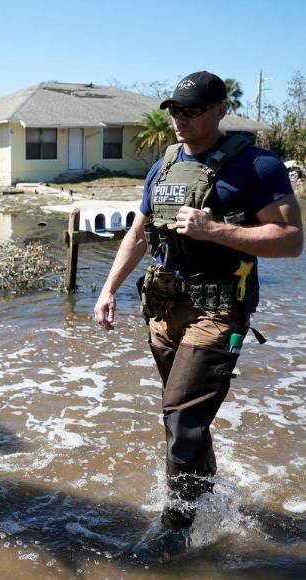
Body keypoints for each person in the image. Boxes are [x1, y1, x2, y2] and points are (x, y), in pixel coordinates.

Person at [93, 71, 303, 553]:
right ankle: (207, 499)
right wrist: (108, 290)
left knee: (182, 418)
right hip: (165, 307)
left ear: (219, 111)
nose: (179, 120)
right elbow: (140, 233)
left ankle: (176, 527)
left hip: (221, 310)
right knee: (182, 419)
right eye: (174, 110)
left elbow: (291, 241)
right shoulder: (165, 164)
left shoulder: (258, 166)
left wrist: (217, 232)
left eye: (190, 111)